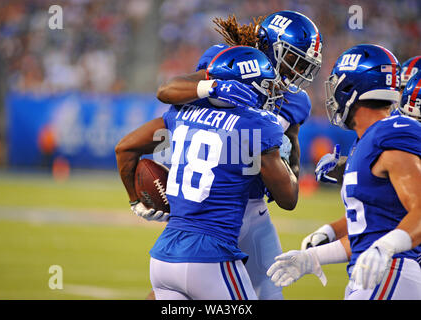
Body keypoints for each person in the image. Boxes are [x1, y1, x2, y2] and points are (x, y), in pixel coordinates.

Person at [141, 11, 322, 300]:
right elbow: (167, 91)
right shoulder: (226, 62)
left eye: (304, 63)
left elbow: (292, 154)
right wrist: (213, 85)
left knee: (268, 294)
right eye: (294, 59)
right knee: (182, 288)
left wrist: (287, 164)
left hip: (252, 209)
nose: (297, 71)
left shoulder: (296, 100)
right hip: (210, 206)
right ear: (271, 47)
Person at [115, 46, 299, 300]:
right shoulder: (258, 124)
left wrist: (136, 200)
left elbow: (124, 148)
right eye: (265, 85)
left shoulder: (182, 113)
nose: (269, 92)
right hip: (211, 257)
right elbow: (288, 199)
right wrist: (286, 159)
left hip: (163, 259)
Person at [267, 44, 421, 300]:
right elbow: (368, 232)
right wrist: (312, 257)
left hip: (391, 272)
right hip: (374, 274)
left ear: (350, 89)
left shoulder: (392, 132)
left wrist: (386, 247)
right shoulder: (367, 140)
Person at [303, 55, 421, 250]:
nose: (400, 96)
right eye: (400, 88)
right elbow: (371, 223)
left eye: (404, 89)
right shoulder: (378, 135)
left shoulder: (393, 137)